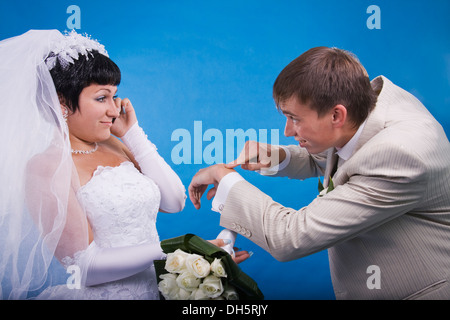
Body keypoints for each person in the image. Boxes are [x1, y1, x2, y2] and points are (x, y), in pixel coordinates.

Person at [188, 47, 450, 299]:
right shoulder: (368, 104)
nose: (287, 131)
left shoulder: (401, 155)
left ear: (337, 115)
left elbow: (290, 237)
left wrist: (226, 179)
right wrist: (277, 156)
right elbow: (343, 156)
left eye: (295, 119)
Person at [0, 30, 243, 300]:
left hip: (153, 291)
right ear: (62, 104)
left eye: (114, 96)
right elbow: (85, 268)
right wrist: (180, 252)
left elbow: (175, 201)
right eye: (101, 98)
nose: (114, 110)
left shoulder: (115, 145)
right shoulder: (45, 167)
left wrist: (133, 134)